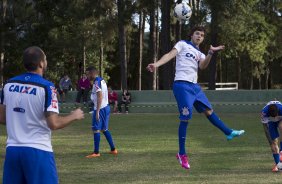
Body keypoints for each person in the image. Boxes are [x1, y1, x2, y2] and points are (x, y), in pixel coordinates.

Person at [146, 26, 245, 170]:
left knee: (209, 111)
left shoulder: (200, 53)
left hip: (195, 88)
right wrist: (156, 64)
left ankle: (228, 132)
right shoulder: (182, 44)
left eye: (202, 35)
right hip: (182, 85)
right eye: (197, 33)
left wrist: (211, 52)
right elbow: (169, 54)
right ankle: (181, 154)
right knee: (186, 117)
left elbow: (203, 66)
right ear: (191, 35)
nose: (199, 36)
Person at [0, 46, 84, 184]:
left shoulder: (8, 85)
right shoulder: (47, 87)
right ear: (41, 63)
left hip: (13, 151)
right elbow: (54, 123)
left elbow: (2, 118)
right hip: (38, 151)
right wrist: (74, 115)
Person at [85, 66, 117, 158]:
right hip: (105, 107)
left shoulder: (96, 82)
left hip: (101, 108)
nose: (87, 76)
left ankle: (96, 152)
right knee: (104, 129)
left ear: (92, 73)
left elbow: (100, 96)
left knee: (96, 129)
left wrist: (97, 111)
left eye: (87, 74)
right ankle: (113, 149)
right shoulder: (101, 80)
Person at [261, 100, 282, 172]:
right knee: (273, 143)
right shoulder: (264, 112)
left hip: (281, 120)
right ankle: (279, 165)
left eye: (276, 115)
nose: (275, 117)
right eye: (273, 116)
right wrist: (272, 140)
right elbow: (265, 126)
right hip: (269, 122)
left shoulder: (281, 108)